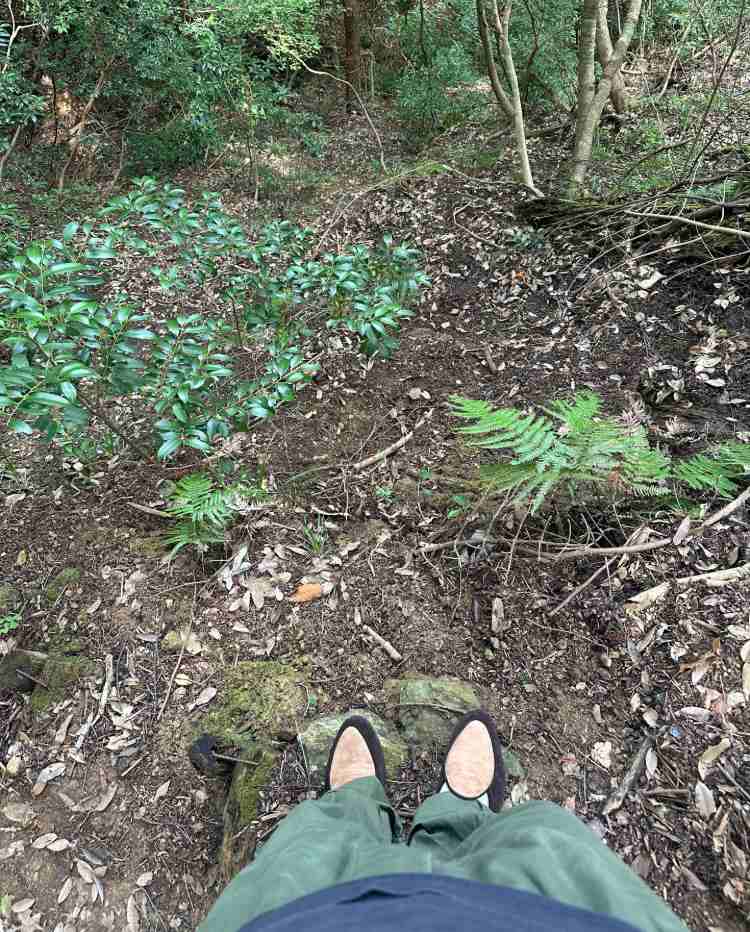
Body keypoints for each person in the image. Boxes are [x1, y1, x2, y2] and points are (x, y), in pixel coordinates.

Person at [199, 711, 688, 932]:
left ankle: (351, 804)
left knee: (308, 850)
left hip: (295, 917)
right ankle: (461, 809)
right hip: (557, 912)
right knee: (540, 843)